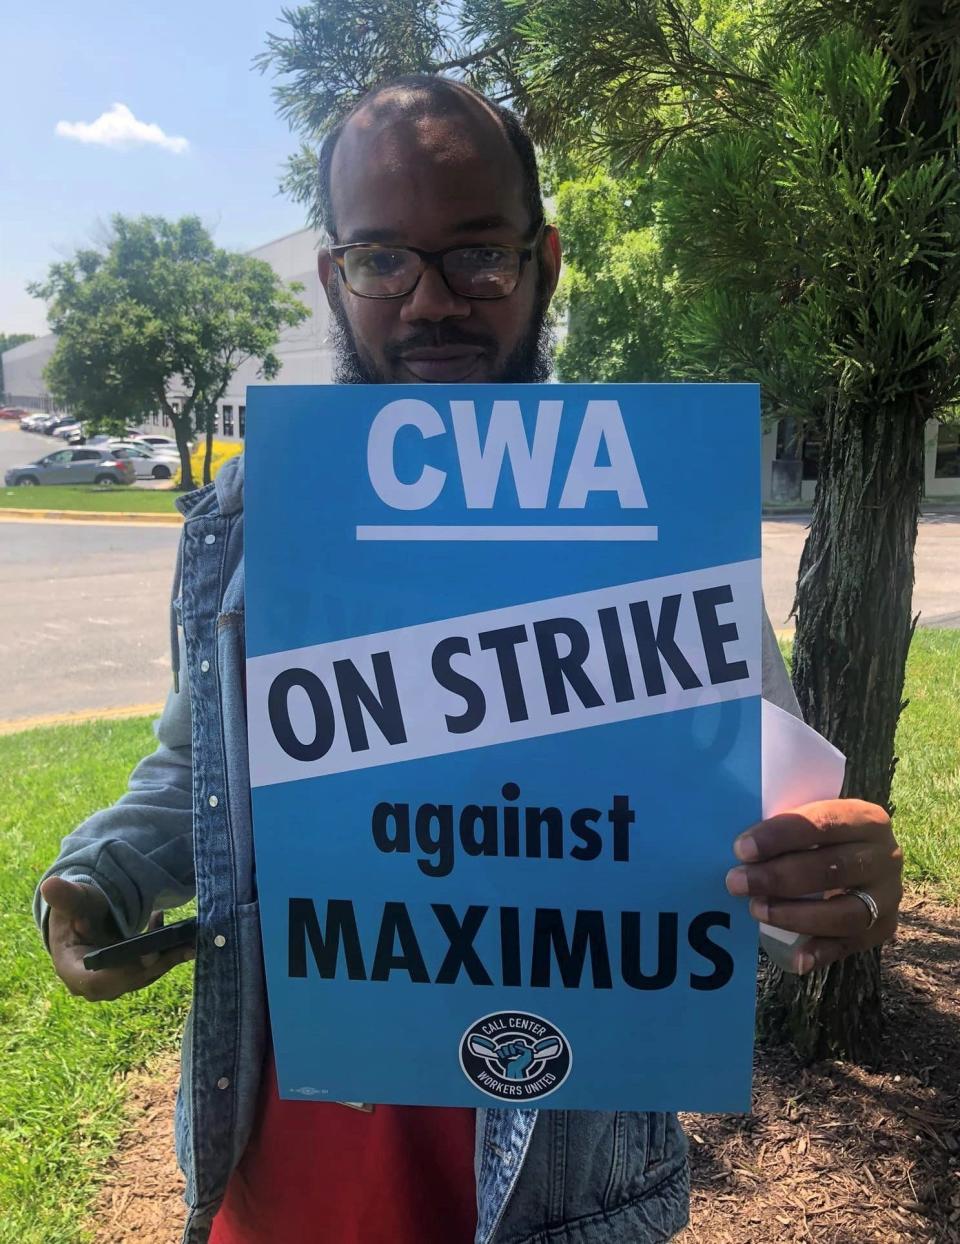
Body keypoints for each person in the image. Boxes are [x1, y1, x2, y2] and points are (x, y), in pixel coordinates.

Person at [35, 75, 903, 1244]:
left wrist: (827, 884)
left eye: (477, 255)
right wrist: (104, 878)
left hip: (550, 1190)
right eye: (382, 259)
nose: (430, 301)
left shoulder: (655, 511)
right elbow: (196, 767)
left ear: (544, 261)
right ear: (336, 276)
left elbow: (768, 845)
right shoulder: (260, 515)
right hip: (282, 1176)